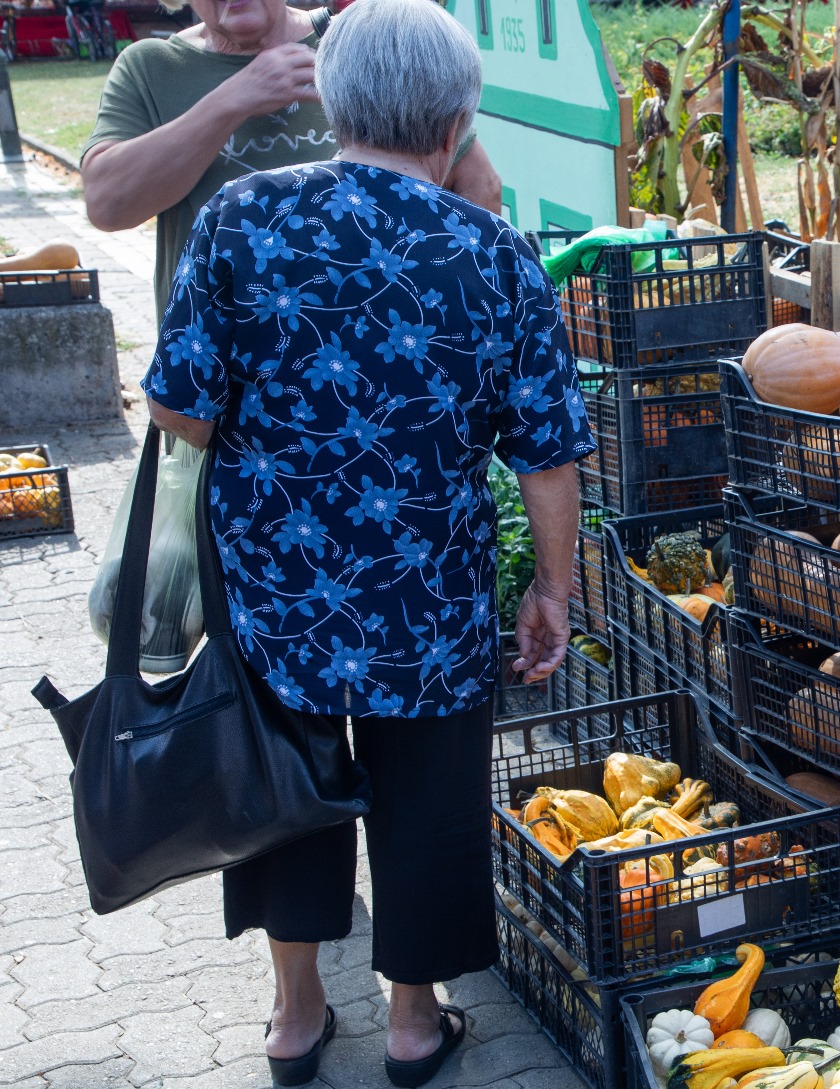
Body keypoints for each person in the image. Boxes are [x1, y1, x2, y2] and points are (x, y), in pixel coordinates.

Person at [139, 0, 591, 1084]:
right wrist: (554, 593)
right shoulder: (492, 248)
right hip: (425, 593)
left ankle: (295, 1017)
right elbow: (547, 453)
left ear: (333, 98)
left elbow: (183, 413)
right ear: (455, 119)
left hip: (275, 584)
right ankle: (410, 1019)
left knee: (283, 779)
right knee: (429, 792)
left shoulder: (242, 219)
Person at [81, 0, 502, 316]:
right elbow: (108, 206)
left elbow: (478, 185)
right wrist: (231, 100)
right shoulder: (152, 67)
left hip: (384, 348)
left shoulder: (352, 41)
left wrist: (441, 306)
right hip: (224, 367)